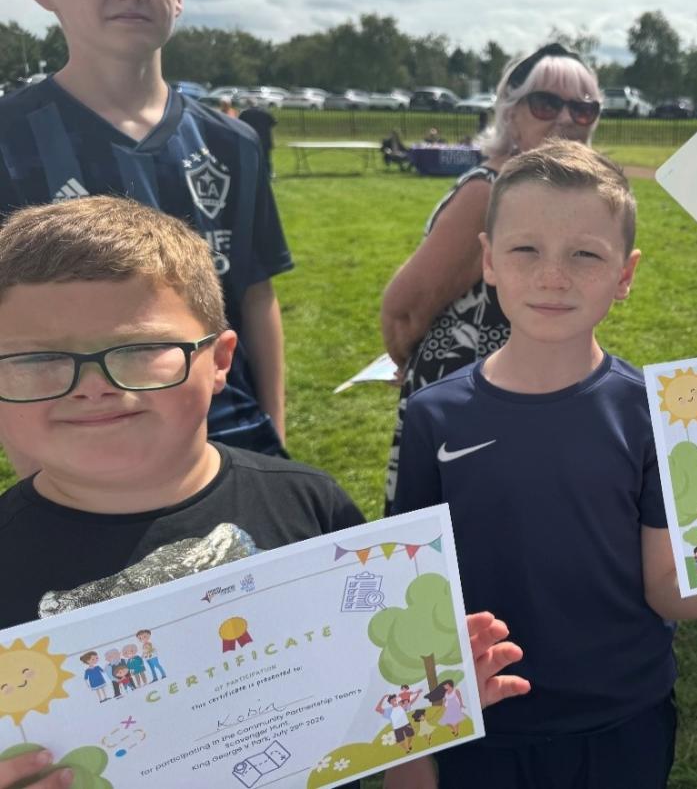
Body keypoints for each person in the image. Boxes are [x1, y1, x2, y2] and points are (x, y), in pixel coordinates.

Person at [0, 197, 530, 789]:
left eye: (141, 351)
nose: (92, 387)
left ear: (221, 361)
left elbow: (397, 746)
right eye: (39, 359)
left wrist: (426, 705)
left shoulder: (312, 505)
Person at [393, 140, 697, 789]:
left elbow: (664, 584)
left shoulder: (655, 415)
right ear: (488, 261)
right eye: (526, 250)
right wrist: (412, 754)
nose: (554, 275)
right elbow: (413, 601)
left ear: (626, 273)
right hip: (481, 724)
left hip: (625, 724)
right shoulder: (432, 418)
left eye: (585, 254)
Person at [0, 0, 291, 469]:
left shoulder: (232, 142)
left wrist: (275, 431)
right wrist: (35, 462)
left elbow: (255, 293)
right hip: (86, 436)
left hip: (228, 430)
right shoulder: (10, 139)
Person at [380, 43, 603, 512]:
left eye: (583, 109)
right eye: (546, 103)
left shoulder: (564, 195)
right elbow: (404, 311)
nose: (565, 119)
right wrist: (419, 361)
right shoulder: (492, 191)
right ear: (512, 114)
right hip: (467, 396)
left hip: (538, 390)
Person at [238, 103, 276, 178]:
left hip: (250, 139)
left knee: (250, 157)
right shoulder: (265, 112)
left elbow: (239, 123)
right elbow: (274, 123)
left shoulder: (244, 113)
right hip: (265, 139)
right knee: (266, 158)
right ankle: (269, 173)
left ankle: (251, 172)